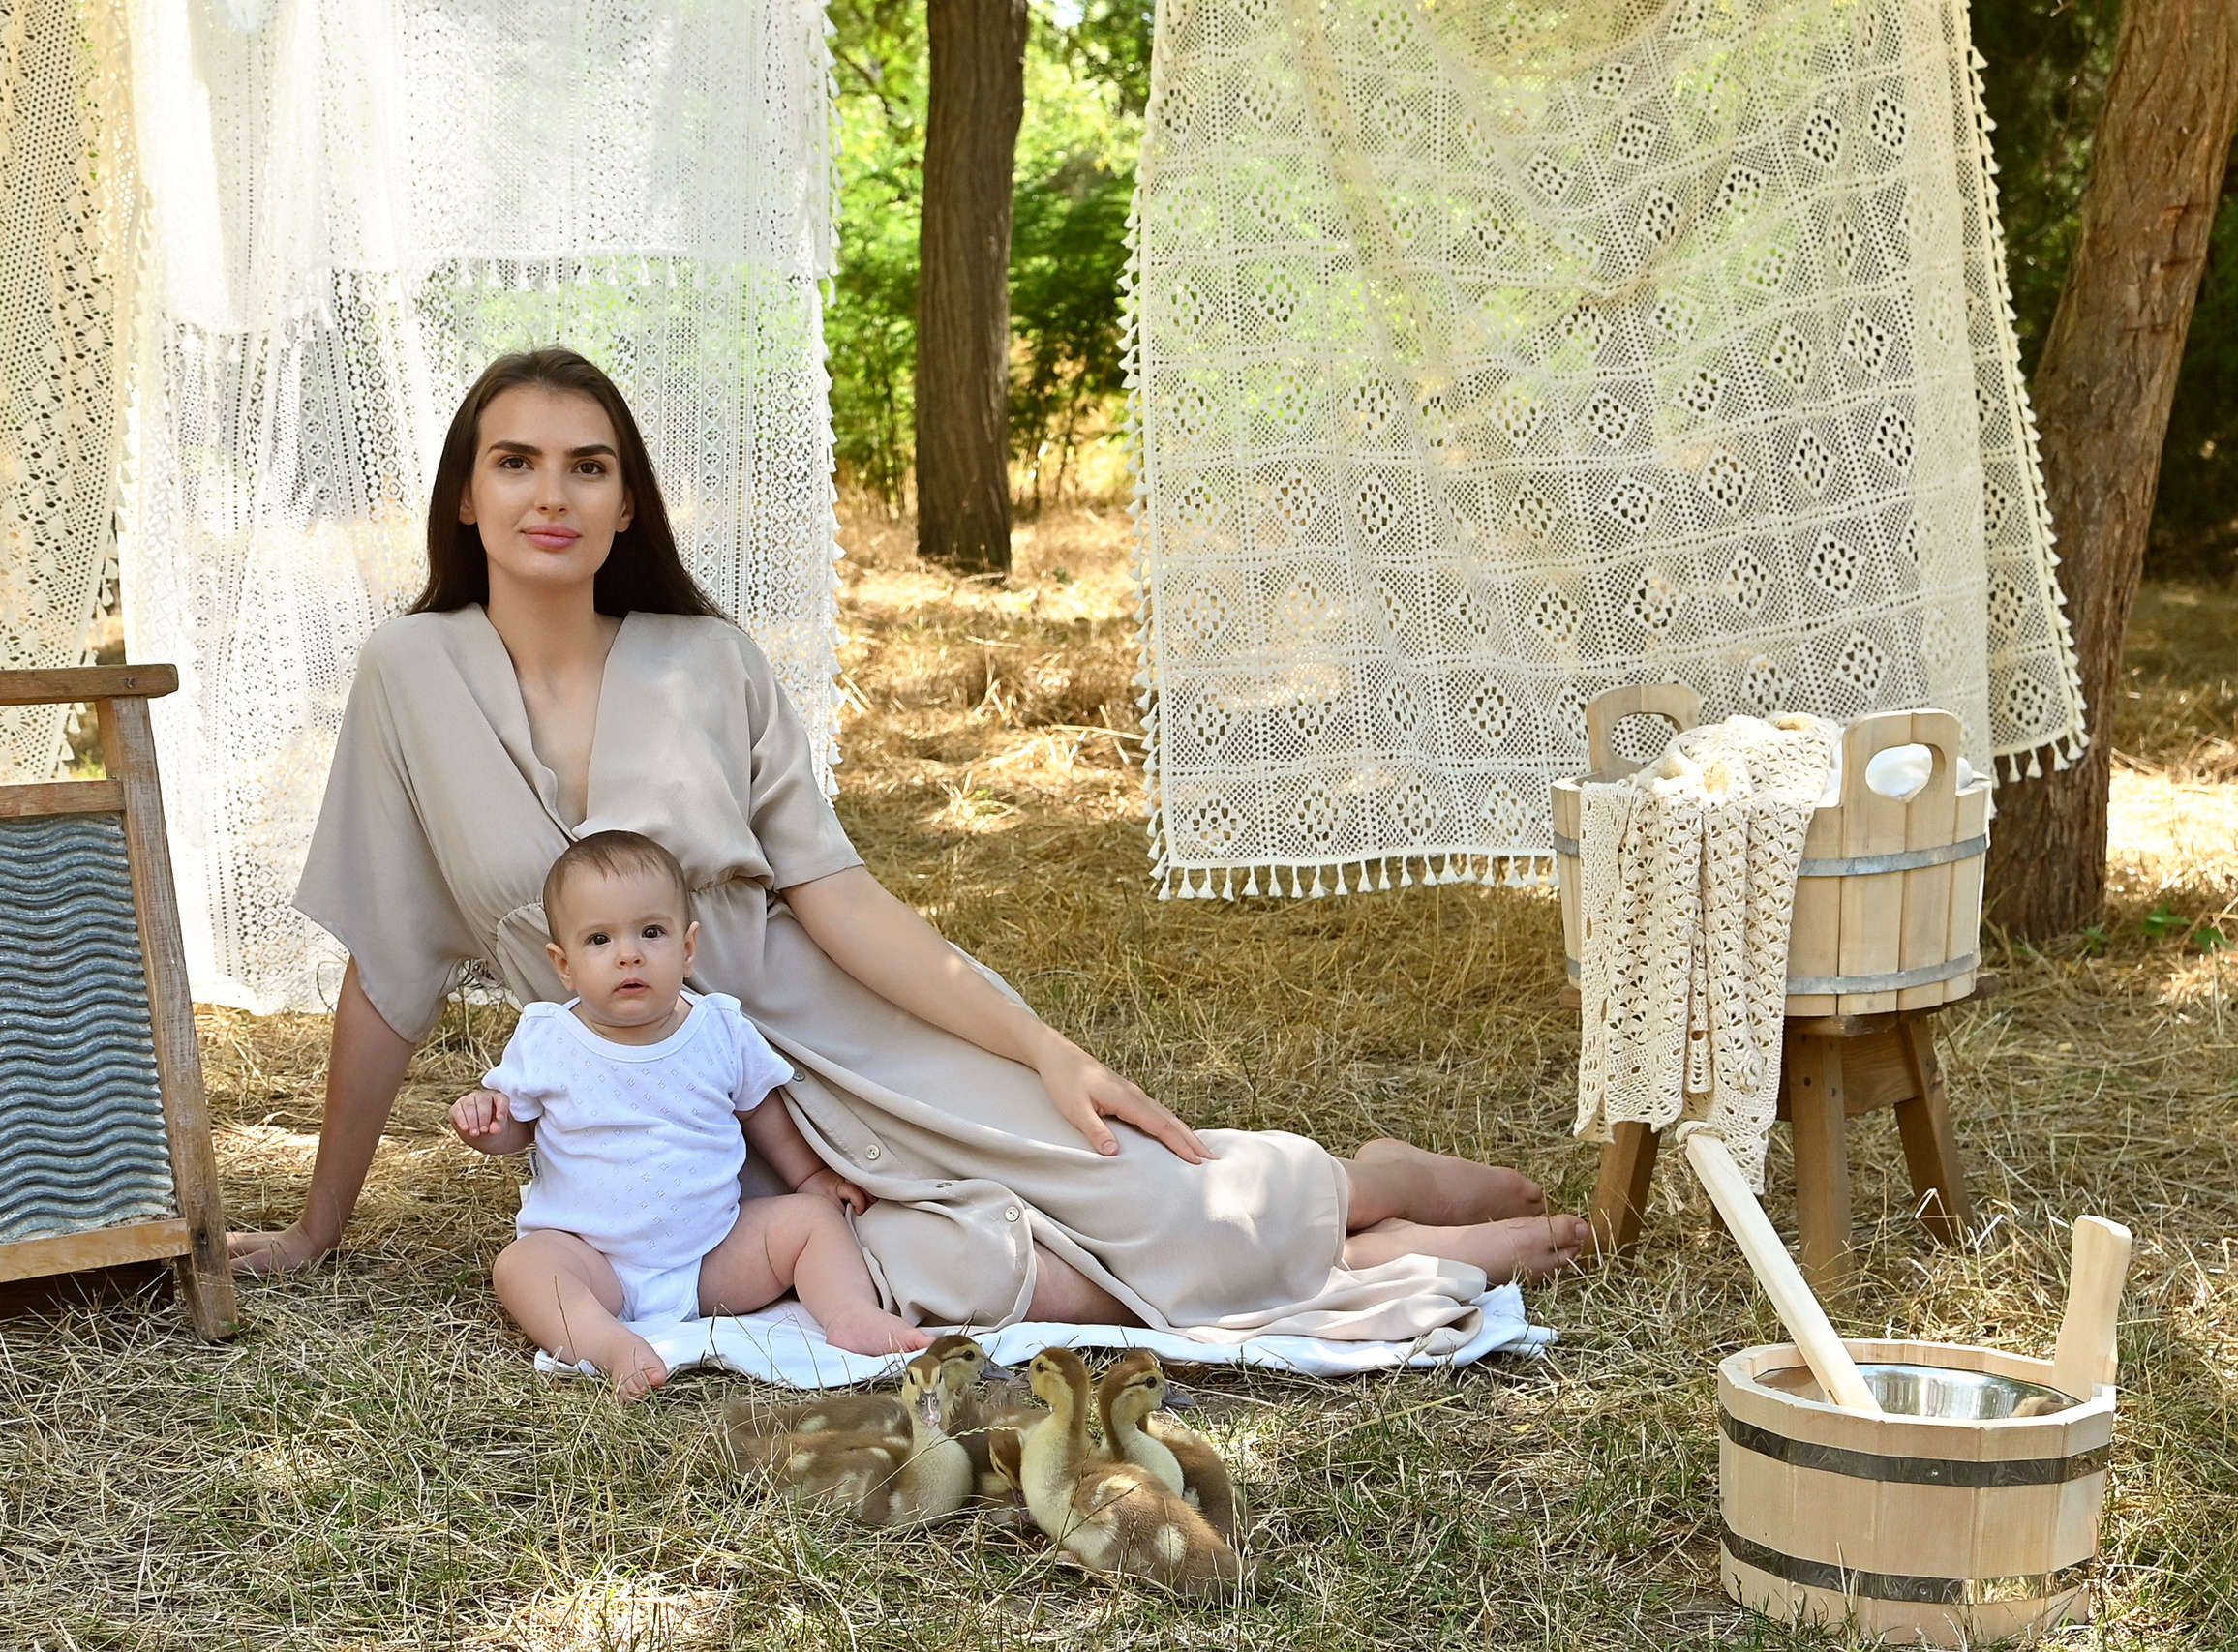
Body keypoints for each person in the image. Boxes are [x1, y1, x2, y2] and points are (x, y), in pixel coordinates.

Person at [233, 346, 1589, 1345]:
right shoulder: (408, 674)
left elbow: (836, 893)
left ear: (630, 502)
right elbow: (390, 966)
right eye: (514, 462)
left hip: (836, 1031)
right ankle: (1370, 1237)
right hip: (691, 1125)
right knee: (936, 1270)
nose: (553, 493)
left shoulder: (707, 659)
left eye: (589, 464)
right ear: (463, 499)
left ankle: (1365, 1190)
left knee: (1116, 1172)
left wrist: (1044, 1044)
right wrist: (314, 1223)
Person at [451, 829, 924, 1399]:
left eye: (651, 932)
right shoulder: (548, 1038)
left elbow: (763, 1112)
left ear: (687, 947)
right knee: (523, 1266)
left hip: (712, 1257)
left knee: (811, 1224)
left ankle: (849, 1314)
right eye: (599, 939)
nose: (629, 954)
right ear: (564, 964)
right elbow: (519, 1129)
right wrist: (489, 1127)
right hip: (593, 1258)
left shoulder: (719, 1029)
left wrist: (808, 1176)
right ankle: (604, 1343)